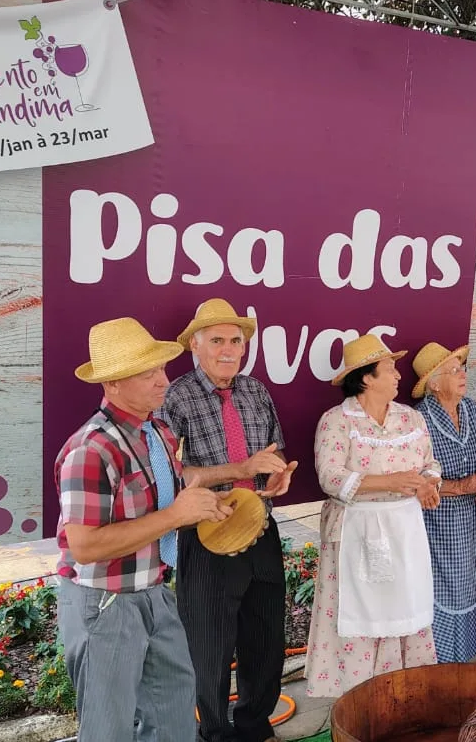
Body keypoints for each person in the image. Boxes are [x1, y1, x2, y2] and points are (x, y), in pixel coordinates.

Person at [56, 317, 256, 741]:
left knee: (174, 716)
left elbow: (170, 500)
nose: (162, 380)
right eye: (146, 373)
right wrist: (175, 517)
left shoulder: (159, 432)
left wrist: (212, 508)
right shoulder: (90, 449)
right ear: (111, 384)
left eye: (161, 369)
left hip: (153, 590)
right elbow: (85, 547)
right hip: (104, 602)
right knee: (108, 730)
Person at [157, 299, 297, 742]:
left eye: (236, 340)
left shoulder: (256, 391)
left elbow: (271, 456)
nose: (229, 349)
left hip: (260, 530)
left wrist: (277, 479)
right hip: (207, 537)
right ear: (194, 345)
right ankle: (214, 735)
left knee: (266, 641)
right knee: (209, 650)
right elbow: (167, 476)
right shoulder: (175, 396)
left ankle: (256, 729)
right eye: (217, 340)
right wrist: (239, 470)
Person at [306, 334, 443, 697]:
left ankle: (402, 695)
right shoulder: (337, 421)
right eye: (390, 369)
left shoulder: (410, 418)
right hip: (356, 530)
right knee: (360, 612)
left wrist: (428, 485)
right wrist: (391, 480)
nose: (399, 375)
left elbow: (430, 465)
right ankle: (359, 697)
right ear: (366, 378)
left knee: (403, 606)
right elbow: (330, 477)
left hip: (404, 530)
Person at [411, 342, 476, 663]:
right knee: (442, 585)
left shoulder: (472, 410)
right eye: (454, 370)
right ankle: (439, 662)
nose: (463, 375)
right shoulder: (419, 420)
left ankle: (462, 661)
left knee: (470, 582)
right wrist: (463, 486)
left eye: (462, 368)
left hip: (469, 519)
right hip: (435, 518)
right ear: (434, 383)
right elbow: (417, 479)